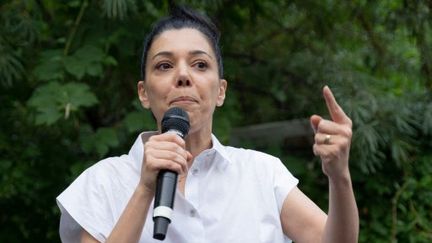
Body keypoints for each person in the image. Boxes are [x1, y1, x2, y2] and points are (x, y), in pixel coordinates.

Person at [56, 6, 359, 243]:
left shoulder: (262, 174)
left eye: (200, 64)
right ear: (144, 93)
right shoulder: (103, 182)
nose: (183, 75)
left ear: (221, 91)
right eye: (164, 65)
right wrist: (146, 188)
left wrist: (339, 176)